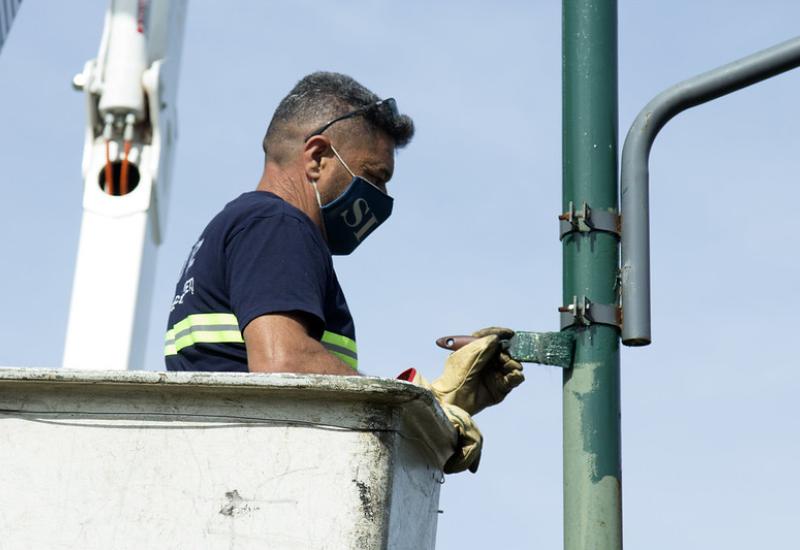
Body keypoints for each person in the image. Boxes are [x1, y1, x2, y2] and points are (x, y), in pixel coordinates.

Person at [164, 72, 523, 472]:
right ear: (317, 157)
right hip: (255, 479)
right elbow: (284, 362)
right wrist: (416, 409)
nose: (381, 198)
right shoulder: (278, 224)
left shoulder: (248, 223)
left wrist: (434, 405)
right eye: (373, 176)